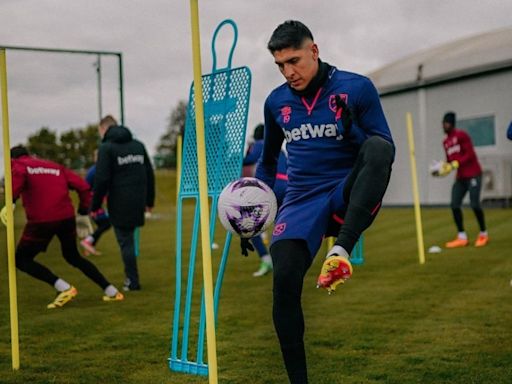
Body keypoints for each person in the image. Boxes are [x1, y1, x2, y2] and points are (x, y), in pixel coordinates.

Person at [254, 21, 394, 383]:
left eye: (294, 60)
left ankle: (341, 252)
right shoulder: (275, 102)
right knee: (284, 281)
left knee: (377, 146)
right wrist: (255, 208)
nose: (288, 72)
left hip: (345, 193)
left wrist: (353, 131)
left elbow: (381, 151)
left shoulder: (356, 88)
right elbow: (268, 162)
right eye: (280, 65)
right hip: (300, 201)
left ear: (314, 51)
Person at [0, 145, 124, 309]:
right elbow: (83, 187)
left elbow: (19, 176)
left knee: (21, 259)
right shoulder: (53, 166)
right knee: (73, 256)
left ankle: (64, 288)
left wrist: (11, 201)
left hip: (42, 221)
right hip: (66, 217)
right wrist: (82, 212)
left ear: (11, 160)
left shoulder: (19, 165)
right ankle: (112, 290)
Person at [91, 115, 155, 292]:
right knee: (129, 241)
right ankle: (132, 279)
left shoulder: (106, 148)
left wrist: (94, 205)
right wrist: (149, 201)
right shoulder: (138, 145)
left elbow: (102, 179)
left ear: (104, 129)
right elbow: (149, 174)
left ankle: (132, 281)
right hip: (138, 200)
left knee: (125, 242)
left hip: (119, 202)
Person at [430, 112, 488, 248]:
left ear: (452, 123)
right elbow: (450, 162)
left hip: (473, 174)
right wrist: (441, 169)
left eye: (447, 123)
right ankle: (462, 237)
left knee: (474, 205)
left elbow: (470, 154)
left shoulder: (462, 135)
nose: (444, 126)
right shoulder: (445, 142)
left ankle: (483, 233)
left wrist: (456, 163)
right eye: (443, 123)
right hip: (461, 177)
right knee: (454, 204)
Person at [242, 124, 288, 277]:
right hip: (287, 187)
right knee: (280, 227)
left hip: (271, 186)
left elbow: (249, 159)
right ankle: (283, 262)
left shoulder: (260, 144)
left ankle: (266, 259)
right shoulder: (280, 149)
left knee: (249, 225)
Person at [80, 150, 112, 256]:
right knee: (106, 224)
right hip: (93, 203)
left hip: (94, 202)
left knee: (102, 224)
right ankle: (87, 242)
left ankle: (88, 247)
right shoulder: (97, 171)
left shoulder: (96, 170)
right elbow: (87, 188)